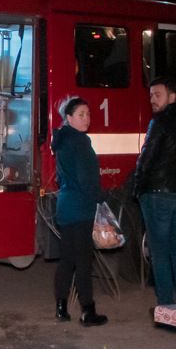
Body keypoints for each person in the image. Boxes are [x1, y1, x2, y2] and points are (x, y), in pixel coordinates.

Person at [132, 78, 176, 308]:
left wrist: (138, 187)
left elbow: (147, 156)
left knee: (159, 252)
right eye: (150, 95)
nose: (152, 100)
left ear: (172, 96)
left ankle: (165, 305)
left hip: (157, 193)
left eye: (157, 95)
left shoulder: (159, 122)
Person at [51, 96, 108, 327]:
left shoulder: (62, 140)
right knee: (84, 261)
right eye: (81, 114)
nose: (87, 118)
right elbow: (87, 179)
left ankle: (61, 308)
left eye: (88, 114)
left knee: (67, 260)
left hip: (65, 205)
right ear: (69, 118)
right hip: (81, 206)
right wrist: (100, 198)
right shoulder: (81, 142)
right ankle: (87, 311)